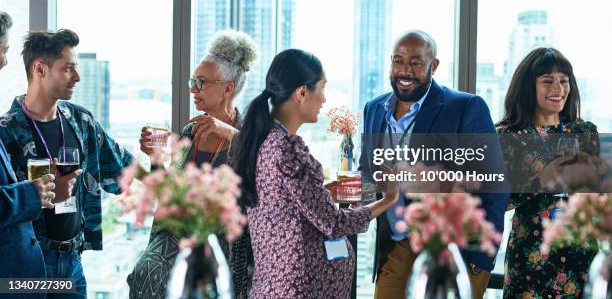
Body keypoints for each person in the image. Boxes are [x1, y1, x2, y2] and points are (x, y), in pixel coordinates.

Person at [234, 48, 400, 299]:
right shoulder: (288, 150)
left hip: (277, 286)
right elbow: (335, 223)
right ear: (302, 93)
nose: (323, 99)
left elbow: (285, 206)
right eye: (321, 88)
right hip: (299, 289)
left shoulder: (265, 139)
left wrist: (321, 193)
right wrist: (388, 200)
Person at [358, 30, 509, 299]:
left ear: (433, 65)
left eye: (415, 62)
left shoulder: (465, 107)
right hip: (394, 248)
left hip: (450, 250)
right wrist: (354, 194)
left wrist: (481, 260)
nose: (404, 70)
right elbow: (368, 173)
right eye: (398, 61)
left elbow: (494, 185)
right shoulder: (373, 108)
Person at [0, 28, 132, 298]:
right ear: (40, 69)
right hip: (30, 265)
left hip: (72, 262)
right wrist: (44, 194)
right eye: (67, 69)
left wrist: (160, 161)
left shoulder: (81, 122)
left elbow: (121, 167)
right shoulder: (6, 132)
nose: (77, 77)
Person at [127, 30, 257, 299]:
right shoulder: (189, 132)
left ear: (227, 88)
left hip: (227, 240)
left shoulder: (249, 134)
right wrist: (156, 159)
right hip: (178, 234)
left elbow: (263, 182)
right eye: (192, 81)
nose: (192, 89)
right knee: (145, 274)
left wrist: (231, 135)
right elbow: (166, 196)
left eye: (201, 82)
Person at [497, 47, 600, 298]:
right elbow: (497, 200)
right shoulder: (506, 136)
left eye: (564, 81)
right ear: (528, 87)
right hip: (531, 264)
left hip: (581, 261)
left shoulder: (585, 131)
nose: (558, 88)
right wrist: (543, 178)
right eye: (547, 81)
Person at [0, 11, 59, 297]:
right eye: (3, 51)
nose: (4, 61)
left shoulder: (81, 121)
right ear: (40, 69)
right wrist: (30, 194)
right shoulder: (7, 126)